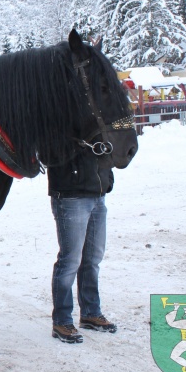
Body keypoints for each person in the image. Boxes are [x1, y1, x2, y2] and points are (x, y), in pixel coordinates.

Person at [48, 147, 118, 344]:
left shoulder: (96, 118)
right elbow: (48, 155)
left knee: (93, 258)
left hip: (98, 194)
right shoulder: (59, 121)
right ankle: (62, 321)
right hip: (71, 196)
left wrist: (107, 178)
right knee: (70, 260)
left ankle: (90, 313)